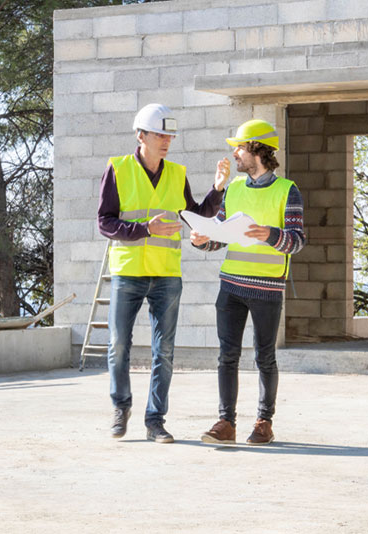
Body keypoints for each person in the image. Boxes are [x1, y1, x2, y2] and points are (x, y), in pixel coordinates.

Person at [98, 103, 229, 443]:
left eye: (169, 135)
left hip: (167, 275)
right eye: (159, 134)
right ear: (140, 135)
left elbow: (195, 216)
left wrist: (217, 190)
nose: (166, 140)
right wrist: (145, 229)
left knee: (164, 351)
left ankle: (155, 420)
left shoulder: (176, 173)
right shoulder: (118, 169)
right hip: (128, 272)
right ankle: (120, 405)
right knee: (118, 345)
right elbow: (105, 222)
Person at [191, 119, 306, 445]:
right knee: (227, 356)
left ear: (257, 150)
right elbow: (222, 237)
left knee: (264, 357)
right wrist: (204, 240)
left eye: (239, 147)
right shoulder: (235, 189)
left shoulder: (288, 190)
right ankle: (226, 423)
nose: (235, 153)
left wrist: (269, 234)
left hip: (268, 288)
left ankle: (263, 422)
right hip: (231, 286)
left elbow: (297, 241)